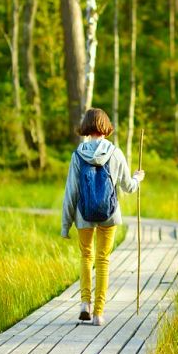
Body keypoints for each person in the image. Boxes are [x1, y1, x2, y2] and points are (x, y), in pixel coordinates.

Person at [61, 108, 145, 326]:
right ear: (106, 129)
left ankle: (84, 304)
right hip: (109, 216)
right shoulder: (115, 153)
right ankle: (98, 313)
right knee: (103, 260)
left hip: (83, 215)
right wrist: (137, 178)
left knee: (86, 256)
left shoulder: (78, 155)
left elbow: (71, 192)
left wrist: (65, 225)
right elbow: (127, 186)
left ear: (87, 128)